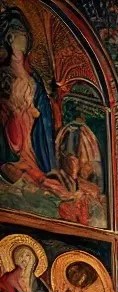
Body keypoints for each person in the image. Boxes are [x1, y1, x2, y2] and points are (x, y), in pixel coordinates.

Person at [0, 8, 58, 190]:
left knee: (46, 182)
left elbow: (44, 121)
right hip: (12, 147)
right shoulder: (3, 76)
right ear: (9, 38)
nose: (24, 38)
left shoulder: (35, 81)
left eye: (25, 34)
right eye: (20, 34)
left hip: (33, 149)